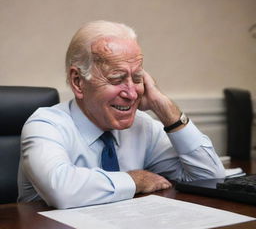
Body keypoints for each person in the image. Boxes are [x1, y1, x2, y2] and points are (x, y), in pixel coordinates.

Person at [18, 20, 225, 209]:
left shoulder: (143, 126)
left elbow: (210, 178)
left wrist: (163, 106)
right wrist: (135, 180)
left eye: (137, 78)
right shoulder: (45, 124)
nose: (132, 93)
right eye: (117, 79)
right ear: (78, 82)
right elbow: (61, 191)